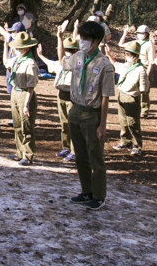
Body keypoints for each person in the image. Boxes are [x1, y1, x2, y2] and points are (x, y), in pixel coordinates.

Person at [62, 21, 115, 210]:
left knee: (95, 157)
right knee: (80, 156)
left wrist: (102, 124)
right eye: (81, 37)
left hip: (92, 114)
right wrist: (59, 39)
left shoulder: (104, 65)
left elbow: (106, 97)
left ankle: (99, 195)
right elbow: (63, 64)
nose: (82, 41)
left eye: (87, 39)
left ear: (97, 41)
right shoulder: (78, 57)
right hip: (75, 110)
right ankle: (86, 191)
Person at [37, 21, 78, 162]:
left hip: (73, 96)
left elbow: (60, 58)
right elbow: (52, 63)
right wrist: (41, 55)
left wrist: (59, 37)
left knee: (73, 124)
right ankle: (66, 147)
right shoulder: (63, 62)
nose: (68, 53)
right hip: (61, 94)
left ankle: (74, 150)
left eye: (70, 50)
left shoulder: (77, 63)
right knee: (64, 123)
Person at [105, 42, 147, 156]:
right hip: (122, 94)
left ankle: (137, 145)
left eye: (132, 55)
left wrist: (142, 103)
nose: (129, 56)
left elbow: (144, 88)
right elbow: (115, 64)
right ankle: (125, 141)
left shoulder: (141, 70)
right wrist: (108, 53)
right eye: (127, 54)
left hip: (132, 97)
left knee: (133, 122)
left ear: (137, 56)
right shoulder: (125, 66)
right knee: (123, 120)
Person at [4, 32, 39, 166]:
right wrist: (5, 45)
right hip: (15, 91)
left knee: (27, 126)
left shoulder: (30, 63)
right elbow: (6, 62)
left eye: (19, 48)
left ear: (27, 48)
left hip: (25, 94)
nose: (17, 50)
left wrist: (26, 104)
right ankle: (19, 152)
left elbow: (31, 87)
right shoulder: (18, 60)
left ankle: (28, 154)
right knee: (17, 125)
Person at [119, 25, 155, 118]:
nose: (140, 35)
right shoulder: (135, 43)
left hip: (144, 69)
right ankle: (136, 108)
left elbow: (151, 61)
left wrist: (147, 74)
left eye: (142, 33)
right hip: (133, 69)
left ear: (147, 34)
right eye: (138, 33)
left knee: (144, 91)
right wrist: (125, 33)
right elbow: (120, 44)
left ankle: (144, 110)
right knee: (133, 89)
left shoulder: (149, 45)